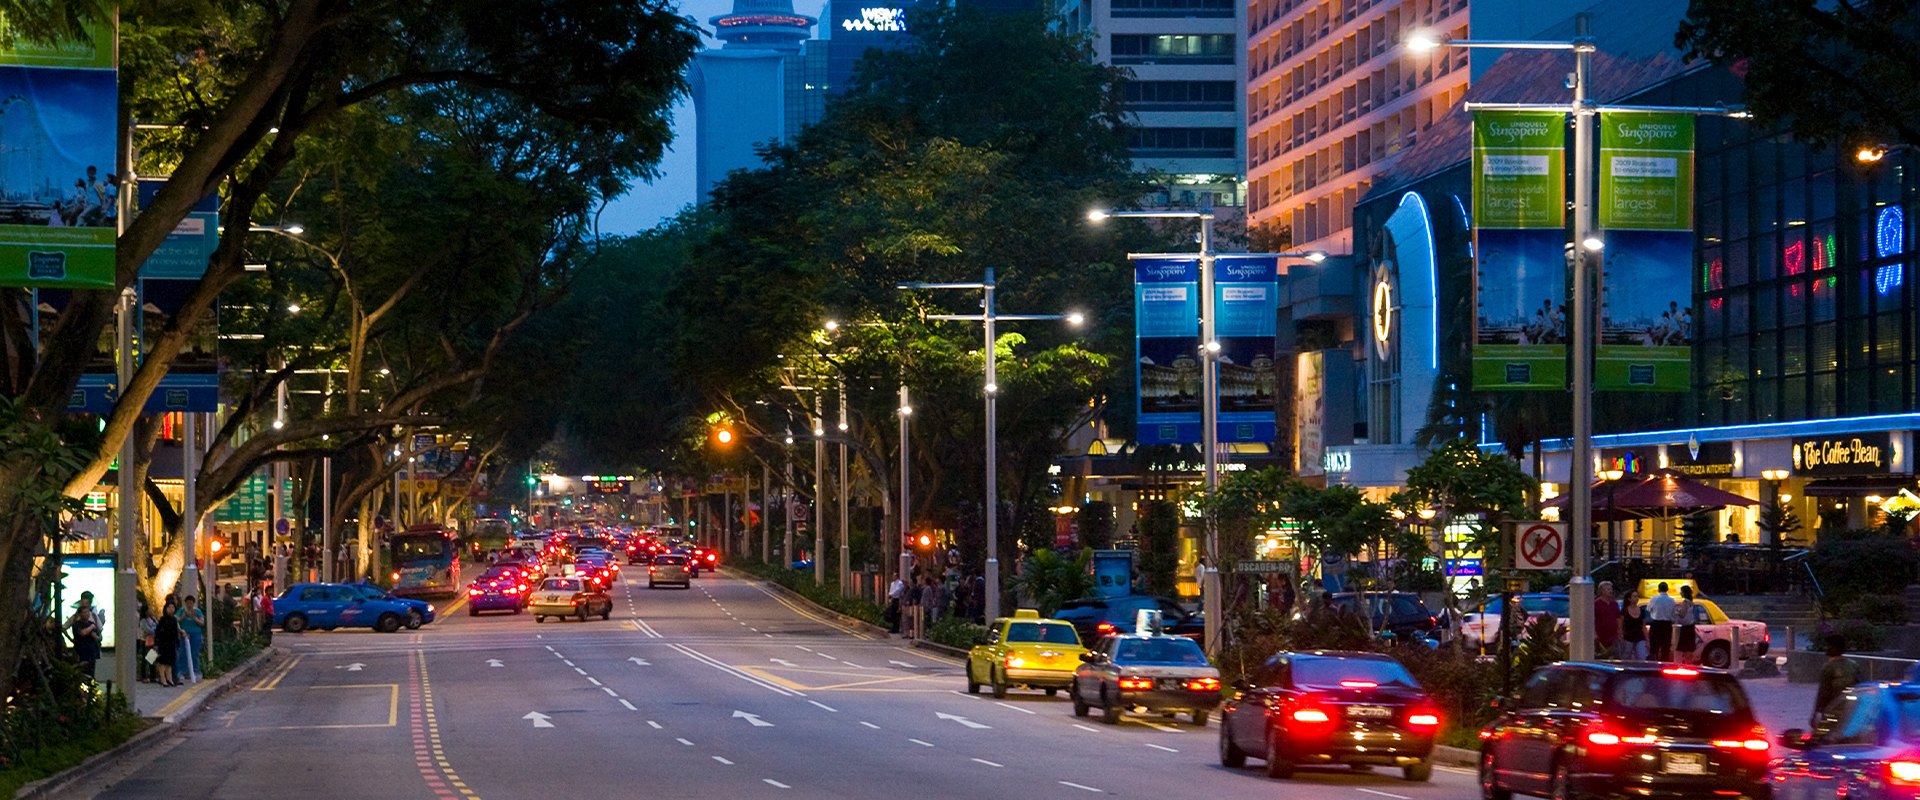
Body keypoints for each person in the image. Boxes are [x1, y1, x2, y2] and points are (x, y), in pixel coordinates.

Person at [1814, 635, 1860, 725]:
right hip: (1851, 707)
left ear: (1834, 648)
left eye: (1827, 646)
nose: (1825, 648)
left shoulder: (1828, 668)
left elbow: (1823, 692)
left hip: (1834, 708)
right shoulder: (1853, 665)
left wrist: (1816, 712)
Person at [67, 591, 103, 679]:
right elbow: (80, 631)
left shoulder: (93, 616)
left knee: (91, 673)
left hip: (91, 650)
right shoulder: (76, 619)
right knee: (81, 672)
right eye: (82, 603)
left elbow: (99, 629)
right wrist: (72, 639)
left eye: (86, 603)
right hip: (80, 650)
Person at [154, 597, 181, 686]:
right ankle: (163, 679)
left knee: (170, 663)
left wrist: (177, 641)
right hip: (163, 643)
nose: (171, 609)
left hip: (171, 643)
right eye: (169, 607)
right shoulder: (162, 620)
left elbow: (175, 631)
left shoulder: (174, 620)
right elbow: (158, 632)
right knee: (163, 662)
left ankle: (169, 679)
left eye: (173, 607)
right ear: (165, 609)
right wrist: (157, 643)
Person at [178, 595, 205, 683]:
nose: (189, 605)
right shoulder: (181, 611)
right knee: (183, 652)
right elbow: (175, 619)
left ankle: (195, 671)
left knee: (194, 652)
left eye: (191, 603)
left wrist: (194, 618)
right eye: (188, 603)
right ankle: (183, 671)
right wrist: (183, 616)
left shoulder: (197, 611)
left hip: (195, 634)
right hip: (185, 634)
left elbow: (202, 622)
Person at [1646, 582, 1676, 661]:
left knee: (1654, 647)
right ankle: (1664, 664)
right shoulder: (1672, 600)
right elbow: (1673, 613)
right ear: (1667, 589)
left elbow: (1648, 609)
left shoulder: (1654, 599)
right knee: (1665, 647)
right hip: (1667, 625)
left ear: (1658, 589)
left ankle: (1653, 665)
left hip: (1656, 624)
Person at [1673, 585, 1699, 664]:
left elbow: (1683, 614)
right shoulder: (1691, 602)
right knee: (1689, 648)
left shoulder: (1685, 603)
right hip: (1691, 627)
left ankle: (1679, 663)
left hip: (1685, 628)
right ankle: (1689, 663)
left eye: (1681, 591)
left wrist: (1676, 611)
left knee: (1681, 648)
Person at [1594, 581, 1621, 657]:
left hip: (1613, 636)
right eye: (1608, 589)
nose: (1610, 591)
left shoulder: (1614, 604)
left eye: (1611, 589)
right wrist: (1594, 633)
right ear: (1601, 590)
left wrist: (1620, 633)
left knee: (1616, 655)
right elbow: (1593, 619)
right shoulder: (1596, 604)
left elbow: (1618, 618)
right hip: (1601, 636)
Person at [1618, 595, 1647, 660]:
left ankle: (1640, 669)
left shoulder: (1642, 611)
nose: (1636, 598)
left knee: (1641, 656)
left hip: (1640, 637)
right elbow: (1620, 624)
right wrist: (1621, 635)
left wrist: (1647, 639)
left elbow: (1643, 626)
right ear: (1629, 599)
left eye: (1637, 596)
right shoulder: (1624, 611)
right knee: (1626, 656)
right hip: (1628, 637)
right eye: (1634, 596)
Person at [138, 602, 158, 683]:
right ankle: (144, 676)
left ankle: (153, 676)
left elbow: (157, 626)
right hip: (145, 641)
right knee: (145, 659)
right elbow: (148, 630)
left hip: (152, 641)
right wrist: (154, 629)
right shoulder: (143, 621)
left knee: (152, 659)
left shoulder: (153, 619)